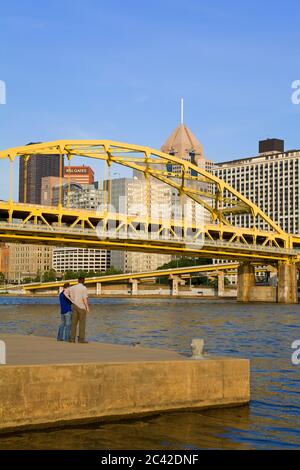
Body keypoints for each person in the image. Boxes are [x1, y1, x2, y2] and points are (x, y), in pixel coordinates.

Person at [69, 277, 89, 343]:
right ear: (83, 281)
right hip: (81, 307)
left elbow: (65, 292)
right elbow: (84, 298)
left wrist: (71, 300)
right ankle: (81, 339)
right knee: (82, 324)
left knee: (73, 324)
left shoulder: (72, 288)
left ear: (78, 281)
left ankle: (72, 339)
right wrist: (87, 307)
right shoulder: (84, 288)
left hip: (74, 306)